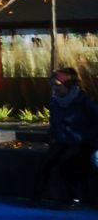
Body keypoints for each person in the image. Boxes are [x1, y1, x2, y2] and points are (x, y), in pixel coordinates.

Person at [33, 67, 98, 207]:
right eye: (52, 86)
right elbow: (54, 122)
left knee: (66, 161)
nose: (54, 89)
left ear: (68, 85)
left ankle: (73, 198)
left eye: (57, 85)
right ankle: (36, 197)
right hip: (62, 141)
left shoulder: (84, 101)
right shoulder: (55, 102)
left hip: (82, 141)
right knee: (46, 162)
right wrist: (52, 136)